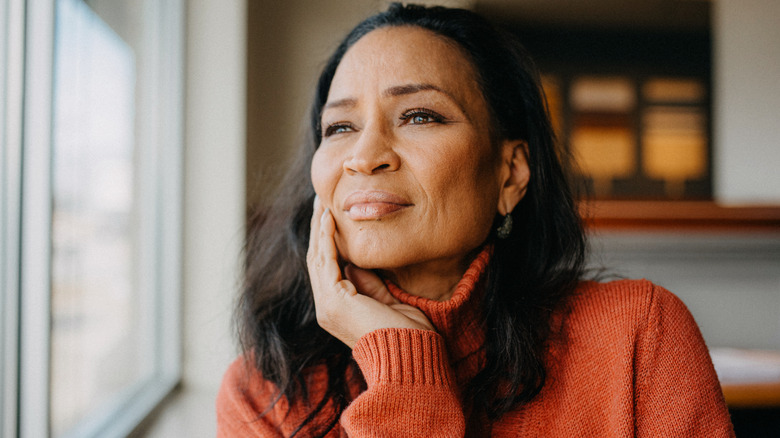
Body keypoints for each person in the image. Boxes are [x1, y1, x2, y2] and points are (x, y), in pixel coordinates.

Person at [217, 3, 734, 437]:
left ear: (509, 175)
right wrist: (404, 364)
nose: (364, 155)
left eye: (420, 115)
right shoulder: (264, 391)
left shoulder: (638, 334)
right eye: (340, 126)